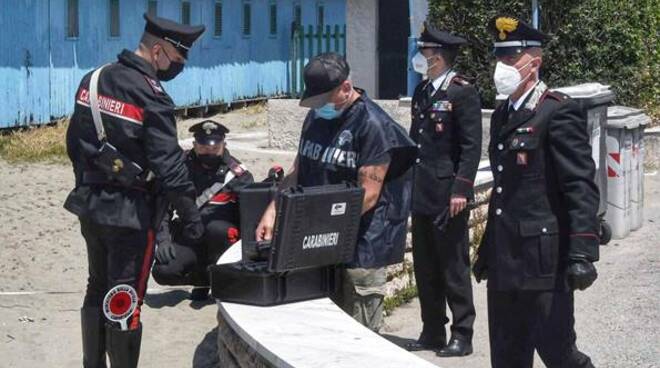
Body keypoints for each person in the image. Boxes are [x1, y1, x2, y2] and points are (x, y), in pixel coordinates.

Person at [64, 13, 205, 368]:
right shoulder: (150, 93)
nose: (178, 67)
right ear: (158, 51)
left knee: (96, 286)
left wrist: (91, 184)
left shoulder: (92, 80)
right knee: (124, 297)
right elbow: (170, 164)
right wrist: (191, 218)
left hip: (91, 206)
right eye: (177, 59)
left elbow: (75, 144)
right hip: (132, 213)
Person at [254, 53, 417, 332]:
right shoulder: (316, 117)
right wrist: (273, 210)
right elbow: (297, 170)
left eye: (324, 100)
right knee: (324, 328)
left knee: (358, 335)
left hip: (362, 247)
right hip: (321, 240)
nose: (320, 107)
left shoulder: (374, 126)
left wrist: (311, 223)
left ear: (345, 87)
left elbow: (368, 195)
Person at [473, 15, 600, 368]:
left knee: (558, 353)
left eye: (512, 59)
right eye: (499, 58)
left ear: (535, 63)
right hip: (505, 260)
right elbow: (505, 190)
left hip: (544, 260)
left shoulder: (557, 112)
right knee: (507, 355)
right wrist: (487, 250)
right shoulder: (502, 114)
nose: (503, 67)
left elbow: (579, 185)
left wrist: (582, 252)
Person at [405, 22, 482, 357]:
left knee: (453, 266)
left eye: (425, 52)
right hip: (422, 192)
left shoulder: (461, 91)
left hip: (448, 195)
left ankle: (462, 334)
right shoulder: (423, 92)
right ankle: (432, 329)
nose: (420, 57)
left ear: (439, 57)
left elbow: (471, 146)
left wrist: (461, 190)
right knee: (425, 265)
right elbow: (415, 142)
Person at [151, 120, 254, 300]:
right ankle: (204, 280)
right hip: (189, 237)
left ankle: (222, 279)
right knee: (163, 271)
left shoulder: (238, 176)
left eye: (214, 147)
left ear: (224, 144)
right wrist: (163, 239)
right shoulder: (179, 169)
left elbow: (249, 219)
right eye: (203, 146)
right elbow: (162, 207)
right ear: (194, 145)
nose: (209, 151)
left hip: (221, 243)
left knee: (218, 229)